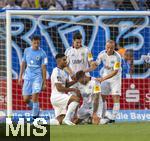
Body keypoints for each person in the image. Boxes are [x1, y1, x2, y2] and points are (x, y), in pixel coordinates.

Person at [85, 40, 122, 122]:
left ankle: (113, 118)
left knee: (115, 97)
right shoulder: (102, 54)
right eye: (108, 47)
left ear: (114, 48)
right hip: (105, 77)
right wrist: (85, 70)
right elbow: (95, 65)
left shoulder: (117, 57)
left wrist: (102, 79)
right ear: (105, 47)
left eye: (111, 48)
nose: (109, 50)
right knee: (102, 97)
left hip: (115, 78)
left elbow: (115, 72)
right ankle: (102, 115)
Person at [19, 35, 48, 119]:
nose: (36, 44)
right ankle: (37, 109)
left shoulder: (43, 53)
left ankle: (35, 118)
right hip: (27, 77)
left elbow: (43, 68)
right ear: (31, 42)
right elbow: (23, 63)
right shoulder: (26, 50)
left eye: (37, 42)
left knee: (35, 97)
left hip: (37, 78)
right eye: (34, 42)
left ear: (39, 42)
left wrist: (44, 83)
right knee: (26, 99)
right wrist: (20, 76)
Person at [50, 54, 80, 125]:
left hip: (59, 97)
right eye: (64, 60)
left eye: (66, 59)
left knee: (58, 121)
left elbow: (66, 85)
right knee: (76, 99)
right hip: (57, 96)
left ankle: (38, 123)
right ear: (58, 61)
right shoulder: (56, 71)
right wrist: (73, 89)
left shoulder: (64, 72)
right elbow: (59, 88)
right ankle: (67, 118)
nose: (66, 61)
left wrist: (76, 80)